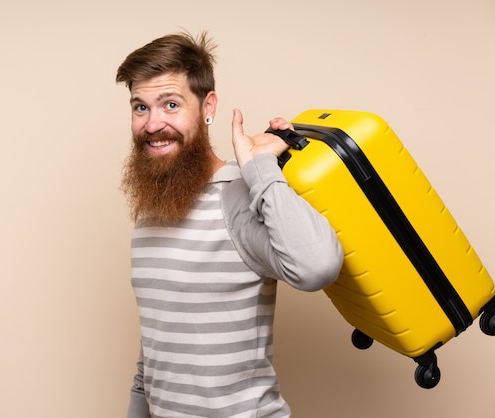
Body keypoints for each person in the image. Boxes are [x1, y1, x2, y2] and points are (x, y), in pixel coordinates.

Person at [116, 30, 344, 418]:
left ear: (209, 106)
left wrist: (259, 166)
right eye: (141, 107)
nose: (153, 124)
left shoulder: (238, 195)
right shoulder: (151, 205)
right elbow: (156, 350)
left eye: (170, 104)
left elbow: (318, 267)